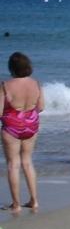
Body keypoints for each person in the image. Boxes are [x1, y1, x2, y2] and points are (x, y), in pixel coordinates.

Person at [1, 52, 43, 213]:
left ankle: (16, 204)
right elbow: (41, 107)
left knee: (13, 164)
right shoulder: (36, 84)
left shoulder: (5, 85)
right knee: (27, 161)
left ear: (11, 68)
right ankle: (34, 200)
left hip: (12, 126)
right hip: (31, 125)